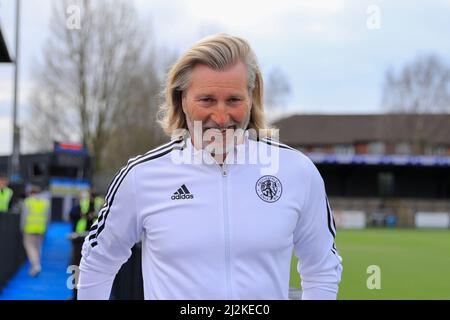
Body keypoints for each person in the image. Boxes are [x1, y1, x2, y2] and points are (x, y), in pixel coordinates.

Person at [78, 34, 343, 300]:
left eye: (233, 100)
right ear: (182, 100)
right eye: (206, 100)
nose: (220, 116)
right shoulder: (141, 176)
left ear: (251, 99)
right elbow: (98, 261)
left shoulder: (297, 171)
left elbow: (321, 267)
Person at [21, 185, 50, 277]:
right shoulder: (46, 203)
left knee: (30, 247)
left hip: (29, 228)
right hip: (41, 228)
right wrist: (46, 228)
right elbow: (48, 217)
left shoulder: (28, 201)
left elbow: (24, 217)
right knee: (37, 248)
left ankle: (36, 265)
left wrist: (22, 227)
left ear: (30, 193)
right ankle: (35, 266)